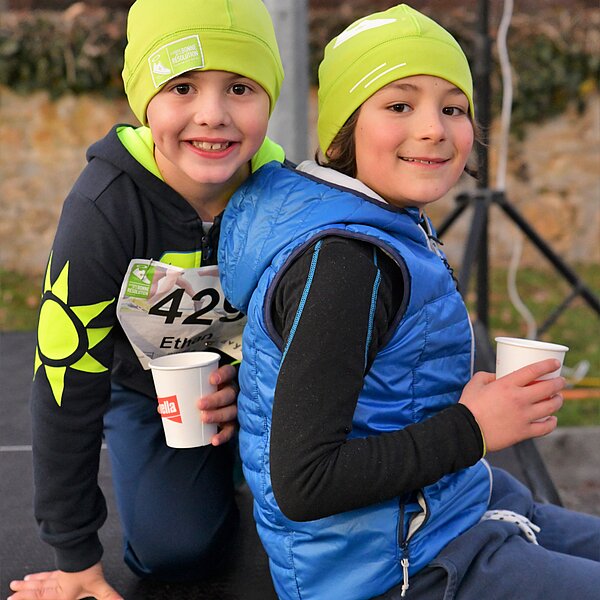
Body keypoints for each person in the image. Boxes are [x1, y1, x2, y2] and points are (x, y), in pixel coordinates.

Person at [217, 4, 600, 599]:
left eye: (453, 108)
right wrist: (474, 426)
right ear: (345, 128)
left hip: (451, 507)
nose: (434, 129)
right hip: (386, 570)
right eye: (399, 105)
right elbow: (304, 483)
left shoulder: (383, 221)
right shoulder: (346, 264)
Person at [8, 0, 284, 598]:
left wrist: (255, 388)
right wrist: (76, 557)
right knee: (176, 554)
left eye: (240, 87)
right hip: (146, 391)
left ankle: (242, 467)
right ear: (143, 99)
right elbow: (63, 375)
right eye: (182, 87)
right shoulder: (103, 208)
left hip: (263, 392)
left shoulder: (285, 197)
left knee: (320, 519)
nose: (212, 115)